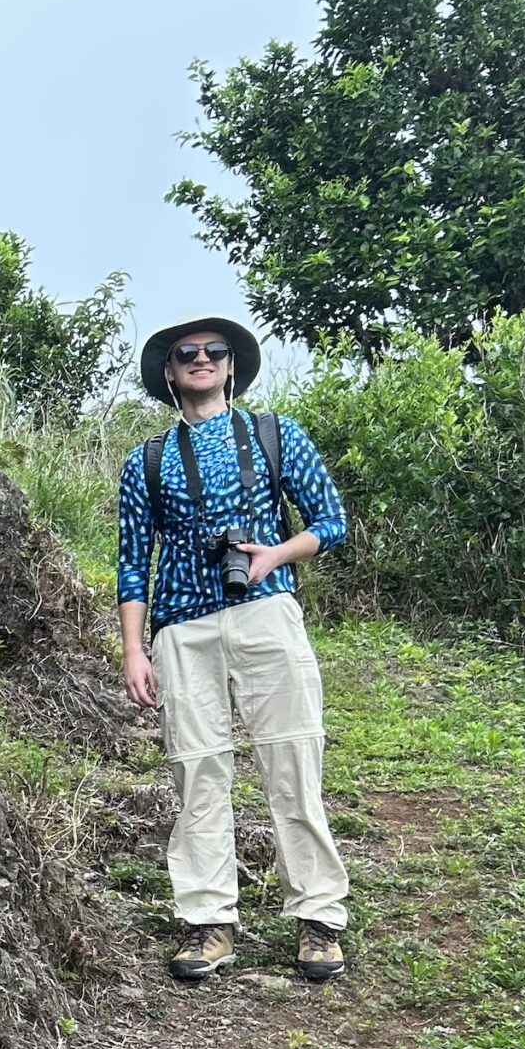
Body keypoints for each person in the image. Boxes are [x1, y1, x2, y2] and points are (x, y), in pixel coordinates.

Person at [115, 316, 352, 982]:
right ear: (168, 371)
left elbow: (330, 521)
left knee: (294, 762)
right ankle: (207, 921)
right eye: (185, 353)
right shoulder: (148, 461)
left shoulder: (274, 434)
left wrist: (275, 552)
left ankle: (319, 920)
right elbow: (134, 564)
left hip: (266, 612)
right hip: (181, 629)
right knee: (197, 773)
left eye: (213, 351)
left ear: (230, 366)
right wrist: (135, 650)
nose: (200, 359)